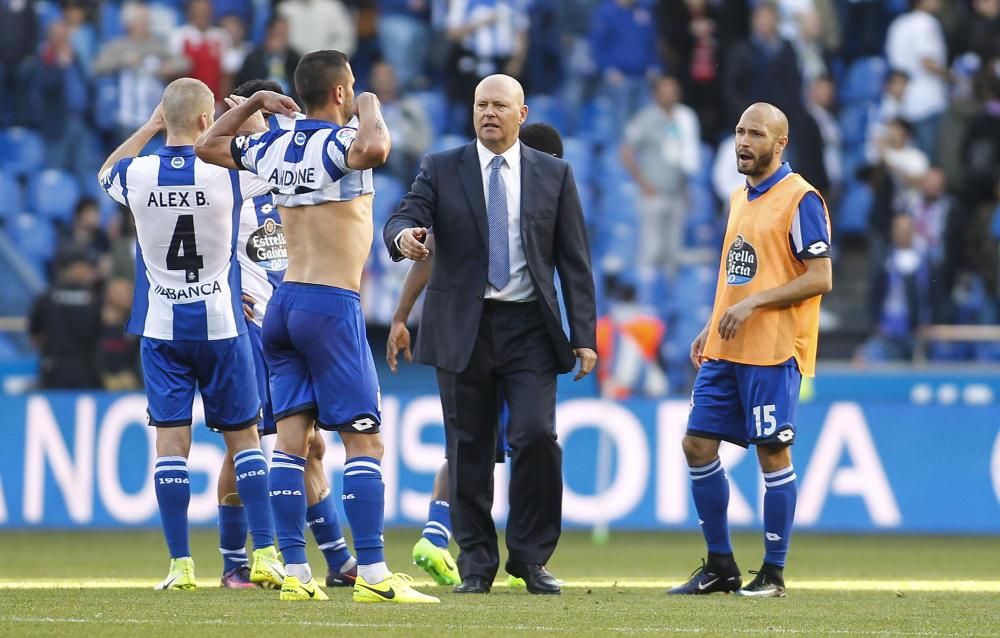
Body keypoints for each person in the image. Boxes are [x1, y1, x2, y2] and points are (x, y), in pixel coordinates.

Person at [196, 50, 438, 604]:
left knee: (291, 442)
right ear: (339, 93)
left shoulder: (272, 145)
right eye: (351, 87)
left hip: (284, 305)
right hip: (331, 302)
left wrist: (253, 102)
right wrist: (372, 102)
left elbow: (209, 147)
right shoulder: (342, 141)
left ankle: (297, 574)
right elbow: (375, 146)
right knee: (365, 441)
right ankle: (374, 575)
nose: (356, 95)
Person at [384, 75, 597, 595]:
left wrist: (584, 334)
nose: (489, 113)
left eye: (500, 105)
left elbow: (574, 261)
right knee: (469, 448)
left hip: (529, 326)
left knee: (535, 437)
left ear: (521, 114)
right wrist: (403, 237)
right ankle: (477, 562)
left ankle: (530, 557)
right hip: (464, 326)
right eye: (481, 104)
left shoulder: (555, 174)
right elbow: (405, 215)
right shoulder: (442, 167)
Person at [97, 78, 284, 592]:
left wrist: (152, 126)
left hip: (161, 327)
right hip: (224, 323)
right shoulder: (230, 174)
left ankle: (180, 566)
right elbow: (274, 160)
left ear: (167, 116)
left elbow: (105, 170)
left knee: (171, 446)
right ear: (208, 122)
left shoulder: (136, 175)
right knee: (245, 439)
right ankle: (265, 553)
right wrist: (250, 113)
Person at [669, 102, 832, 598]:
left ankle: (774, 573)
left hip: (773, 349)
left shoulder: (801, 199)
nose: (743, 141)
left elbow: (821, 277)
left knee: (771, 451)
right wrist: (708, 324)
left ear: (779, 144)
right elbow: (738, 273)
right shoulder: (740, 196)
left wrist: (756, 303)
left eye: (755, 134)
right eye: (739, 131)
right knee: (696, 443)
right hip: (726, 345)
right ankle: (720, 565)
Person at [212, 78, 359, 591]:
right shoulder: (226, 179)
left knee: (312, 446)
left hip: (298, 315)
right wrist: (224, 295)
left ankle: (338, 561)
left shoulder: (285, 165)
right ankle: (235, 562)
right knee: (245, 443)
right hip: (253, 327)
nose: (270, 123)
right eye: (262, 114)